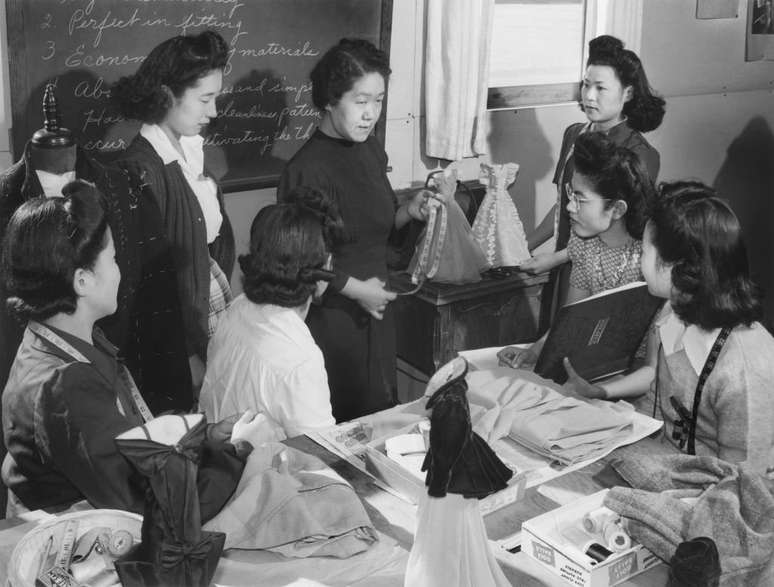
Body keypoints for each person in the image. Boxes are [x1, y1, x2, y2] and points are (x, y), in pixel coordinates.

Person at [0, 181, 265, 513]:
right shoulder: (66, 386)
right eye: (112, 259)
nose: (119, 271)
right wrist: (237, 453)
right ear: (82, 281)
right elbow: (154, 503)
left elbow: (126, 439)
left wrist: (207, 438)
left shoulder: (53, 341)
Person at [565, 181, 774, 473]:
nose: (641, 261)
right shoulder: (672, 315)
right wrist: (601, 407)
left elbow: (744, 481)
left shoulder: (746, 368)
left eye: (645, 251)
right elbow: (656, 404)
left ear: (677, 266)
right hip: (669, 467)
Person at [277, 38, 428, 422]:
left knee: (381, 418)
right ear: (330, 100)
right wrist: (361, 292)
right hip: (336, 320)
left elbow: (378, 230)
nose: (371, 114)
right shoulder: (305, 170)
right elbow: (302, 265)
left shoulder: (371, 149)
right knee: (346, 423)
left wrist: (409, 212)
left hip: (377, 309)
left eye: (378, 101)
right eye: (360, 101)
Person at [112, 30, 235, 394]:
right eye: (205, 99)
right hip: (178, 341)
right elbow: (149, 289)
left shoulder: (189, 149)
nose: (213, 111)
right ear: (167, 96)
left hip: (206, 317)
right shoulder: (141, 170)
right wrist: (187, 355)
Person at [521, 35, 664, 315]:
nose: (589, 96)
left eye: (600, 88)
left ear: (627, 93)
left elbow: (626, 231)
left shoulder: (640, 153)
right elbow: (564, 204)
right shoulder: (574, 134)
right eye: (586, 85)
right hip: (565, 262)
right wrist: (525, 246)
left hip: (609, 271)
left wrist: (557, 258)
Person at [498, 131, 656, 368]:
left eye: (580, 200)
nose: (569, 207)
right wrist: (535, 351)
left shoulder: (648, 254)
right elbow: (572, 317)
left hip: (642, 369)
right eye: (570, 194)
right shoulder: (582, 244)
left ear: (617, 209)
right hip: (599, 364)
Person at [199, 187, 338, 439]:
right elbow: (321, 450)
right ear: (324, 269)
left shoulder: (239, 307)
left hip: (212, 448)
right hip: (255, 463)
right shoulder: (300, 360)